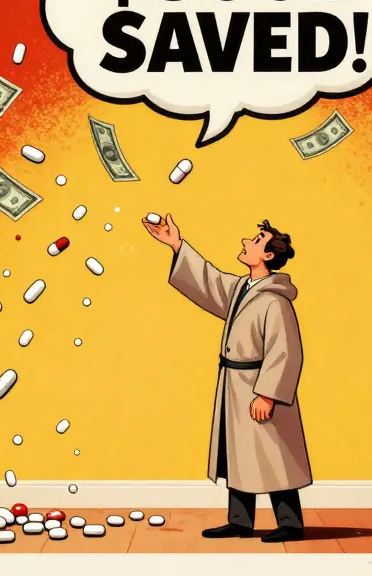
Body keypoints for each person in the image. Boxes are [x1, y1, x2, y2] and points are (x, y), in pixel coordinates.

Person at [142, 214, 312, 543]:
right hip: (234, 385)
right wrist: (176, 244)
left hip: (258, 387)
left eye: (256, 240)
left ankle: (290, 523)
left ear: (267, 256)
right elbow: (209, 281)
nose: (246, 242)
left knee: (274, 456)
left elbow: (286, 352)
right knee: (238, 455)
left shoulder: (275, 302)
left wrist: (267, 395)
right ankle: (240, 521)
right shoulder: (241, 290)